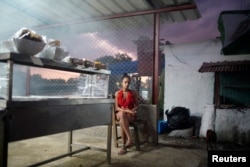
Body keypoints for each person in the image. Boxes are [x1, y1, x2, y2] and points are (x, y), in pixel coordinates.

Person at [115, 73, 138, 155]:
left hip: (130, 115)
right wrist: (127, 111)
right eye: (125, 82)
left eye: (128, 82)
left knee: (122, 119)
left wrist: (131, 111)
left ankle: (123, 147)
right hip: (123, 113)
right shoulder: (117, 93)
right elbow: (117, 107)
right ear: (122, 83)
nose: (127, 84)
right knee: (121, 114)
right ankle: (129, 139)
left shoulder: (133, 93)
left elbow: (137, 106)